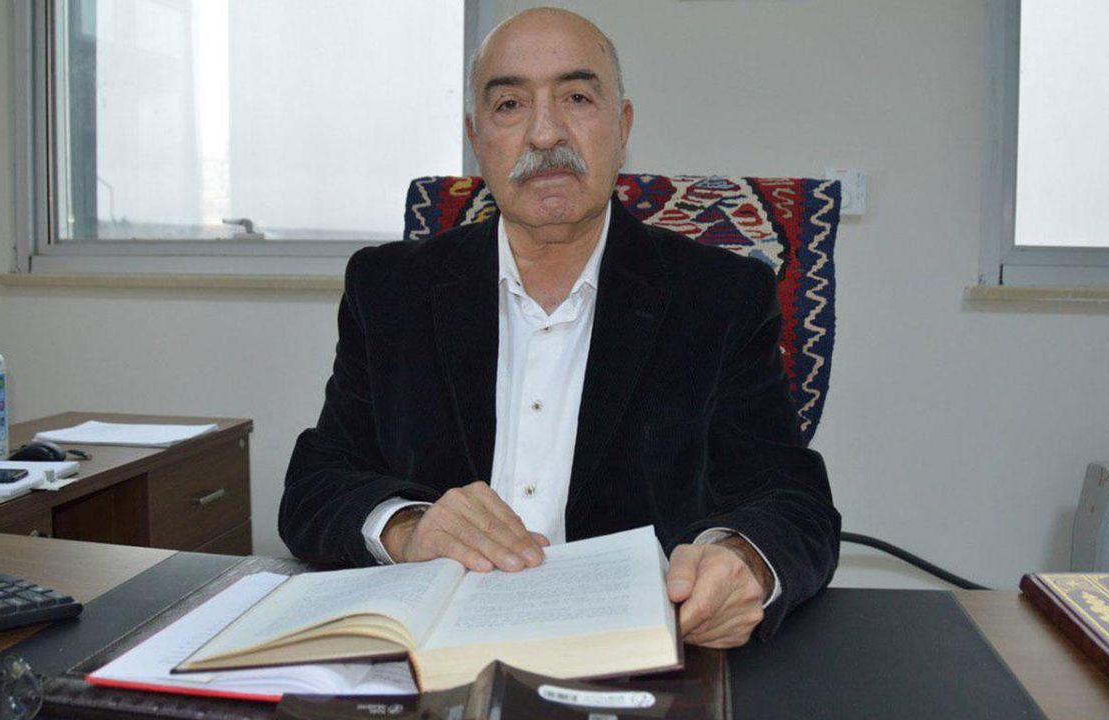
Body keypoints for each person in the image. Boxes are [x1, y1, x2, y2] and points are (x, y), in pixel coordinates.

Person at [280, 7, 839, 648]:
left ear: (622, 126)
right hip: (434, 653)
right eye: (510, 104)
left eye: (576, 97)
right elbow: (316, 487)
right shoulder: (389, 289)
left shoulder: (720, 296)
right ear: (477, 137)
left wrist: (742, 561)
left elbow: (791, 502)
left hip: (637, 655)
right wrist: (408, 528)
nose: (545, 133)